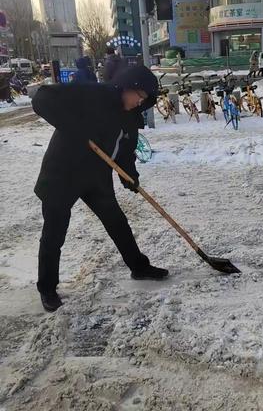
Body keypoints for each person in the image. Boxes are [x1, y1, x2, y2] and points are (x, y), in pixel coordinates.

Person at [32, 65, 168, 312]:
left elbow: (125, 152)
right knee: (55, 233)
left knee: (117, 222)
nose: (139, 103)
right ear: (126, 86)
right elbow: (42, 97)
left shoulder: (129, 118)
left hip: (95, 177)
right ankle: (47, 288)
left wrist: (130, 177)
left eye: (144, 100)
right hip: (62, 175)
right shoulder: (93, 94)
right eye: (138, 95)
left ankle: (139, 267)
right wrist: (73, 128)